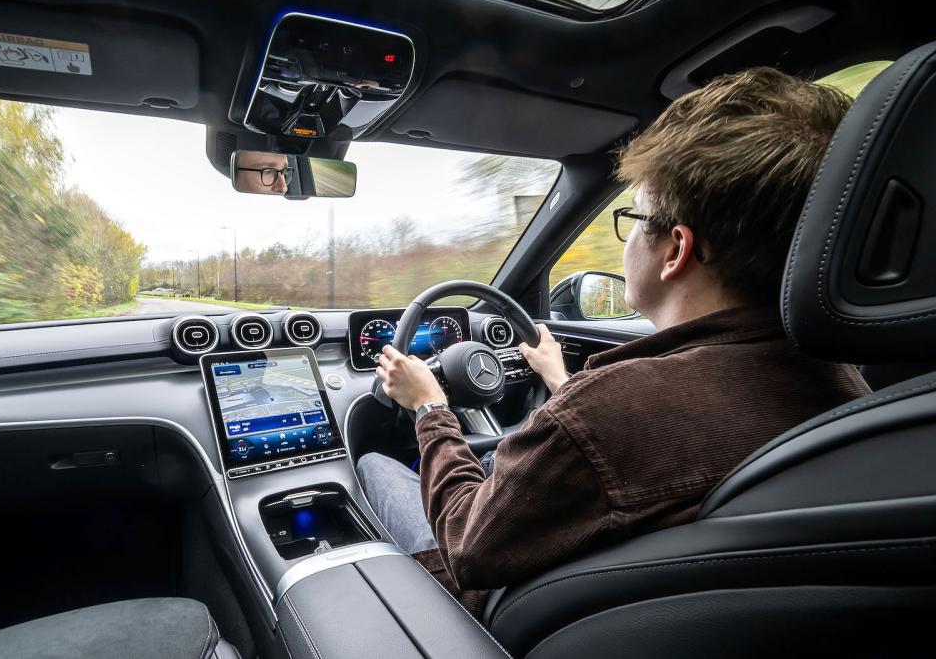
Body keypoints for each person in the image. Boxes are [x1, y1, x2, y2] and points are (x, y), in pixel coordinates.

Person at [356, 67, 872, 615]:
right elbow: (640, 447)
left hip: (500, 615)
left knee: (373, 466)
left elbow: (466, 543)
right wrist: (561, 382)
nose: (626, 242)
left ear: (675, 250)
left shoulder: (603, 412)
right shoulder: (846, 382)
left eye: (634, 217)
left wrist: (430, 406)